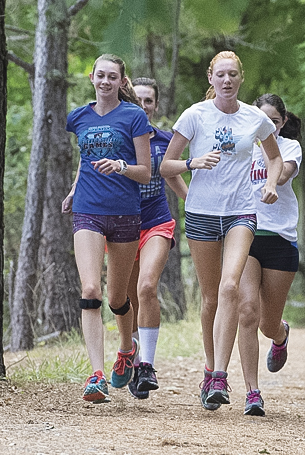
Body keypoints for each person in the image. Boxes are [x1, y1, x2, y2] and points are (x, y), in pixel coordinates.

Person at [160, 51, 283, 411]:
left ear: (240, 78)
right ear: (211, 79)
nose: (227, 81)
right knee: (212, 297)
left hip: (241, 212)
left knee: (231, 286)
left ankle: (218, 376)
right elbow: (167, 166)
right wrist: (192, 166)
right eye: (221, 75)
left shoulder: (255, 117)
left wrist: (271, 183)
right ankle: (209, 368)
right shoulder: (195, 116)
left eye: (233, 75)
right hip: (201, 214)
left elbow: (273, 157)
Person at [62, 54, 152, 403]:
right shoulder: (79, 117)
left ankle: (127, 349)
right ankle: (96, 375)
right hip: (88, 210)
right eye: (100, 75)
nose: (105, 82)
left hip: (125, 213)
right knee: (90, 289)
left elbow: (145, 171)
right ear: (91, 77)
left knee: (117, 298)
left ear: (121, 82)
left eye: (112, 77)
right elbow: (85, 159)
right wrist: (73, 190)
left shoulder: (134, 116)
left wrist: (121, 166)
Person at [237, 94, 303, 416]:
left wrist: (272, 182)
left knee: (267, 324)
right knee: (247, 311)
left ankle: (281, 334)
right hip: (244, 235)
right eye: (261, 121)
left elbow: (286, 171)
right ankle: (252, 392)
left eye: (273, 122)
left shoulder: (290, 147)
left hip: (280, 239)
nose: (268, 127)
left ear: (282, 123)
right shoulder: (242, 148)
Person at [125, 77, 189, 400]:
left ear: (155, 106)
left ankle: (147, 365)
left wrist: (194, 202)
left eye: (148, 101)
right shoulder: (119, 139)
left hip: (157, 224)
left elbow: (173, 176)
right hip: (122, 228)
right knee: (128, 299)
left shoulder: (164, 141)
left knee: (147, 286)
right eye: (137, 99)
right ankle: (134, 359)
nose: (143, 105)